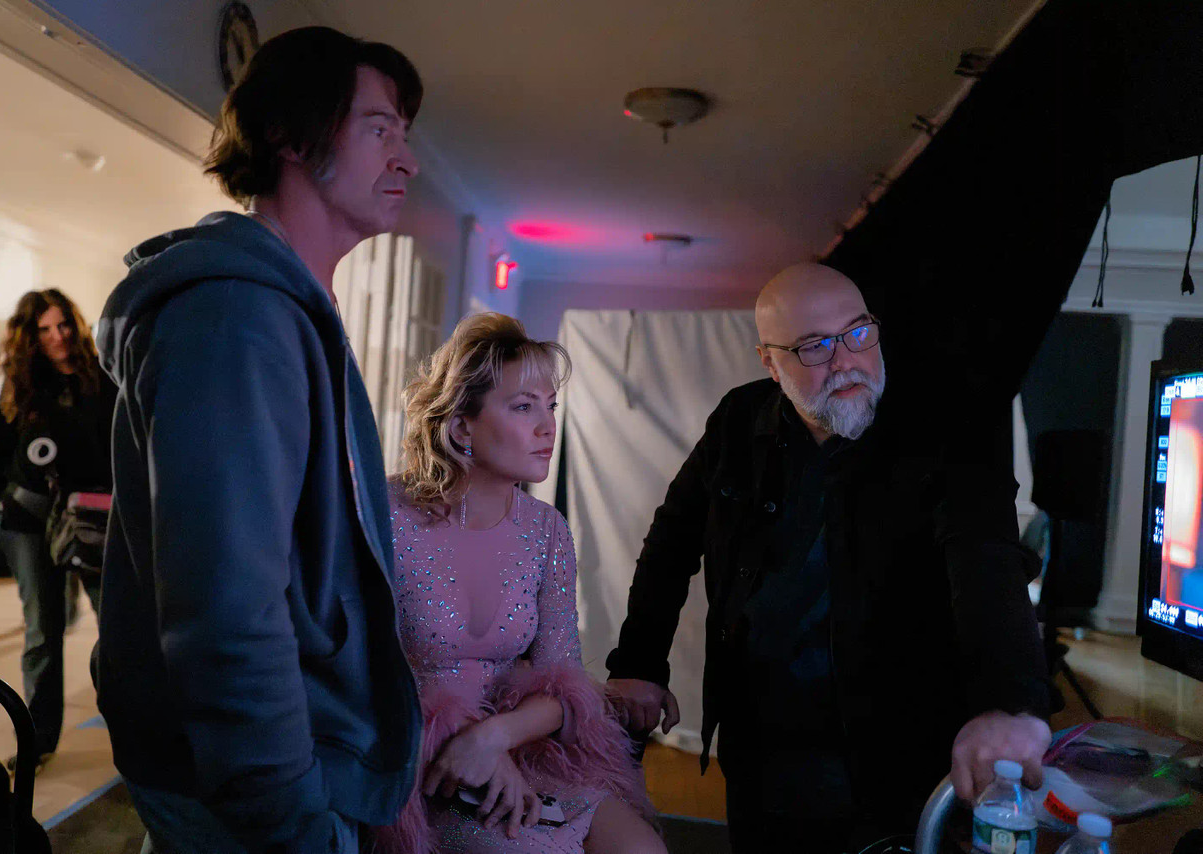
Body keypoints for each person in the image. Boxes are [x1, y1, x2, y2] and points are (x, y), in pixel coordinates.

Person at [93, 27, 424, 854]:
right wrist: (287, 813)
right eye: (379, 128)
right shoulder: (237, 318)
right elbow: (226, 608)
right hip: (261, 791)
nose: (408, 161)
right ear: (288, 136)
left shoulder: (283, 310)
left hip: (284, 767)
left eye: (404, 135)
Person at [605, 263, 1052, 853]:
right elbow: (671, 540)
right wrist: (638, 662)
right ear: (770, 362)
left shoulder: (944, 426)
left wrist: (1009, 703)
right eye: (813, 346)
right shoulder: (738, 420)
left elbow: (986, 558)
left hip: (892, 756)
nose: (845, 362)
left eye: (858, 333)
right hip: (758, 750)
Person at [379, 312, 663, 854]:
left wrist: (494, 737)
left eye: (550, 406)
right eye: (523, 406)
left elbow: (566, 684)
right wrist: (465, 744)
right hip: (417, 763)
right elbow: (356, 672)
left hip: (523, 750)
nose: (548, 427)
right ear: (462, 427)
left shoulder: (546, 530)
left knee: (642, 849)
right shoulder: (385, 512)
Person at [0, 289, 116, 772]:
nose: (57, 337)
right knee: (42, 633)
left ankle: (130, 725)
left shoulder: (105, 379)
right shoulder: (23, 387)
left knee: (117, 627)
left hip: (92, 521)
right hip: (28, 523)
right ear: (30, 337)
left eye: (63, 325)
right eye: (45, 329)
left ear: (77, 325)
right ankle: (39, 739)